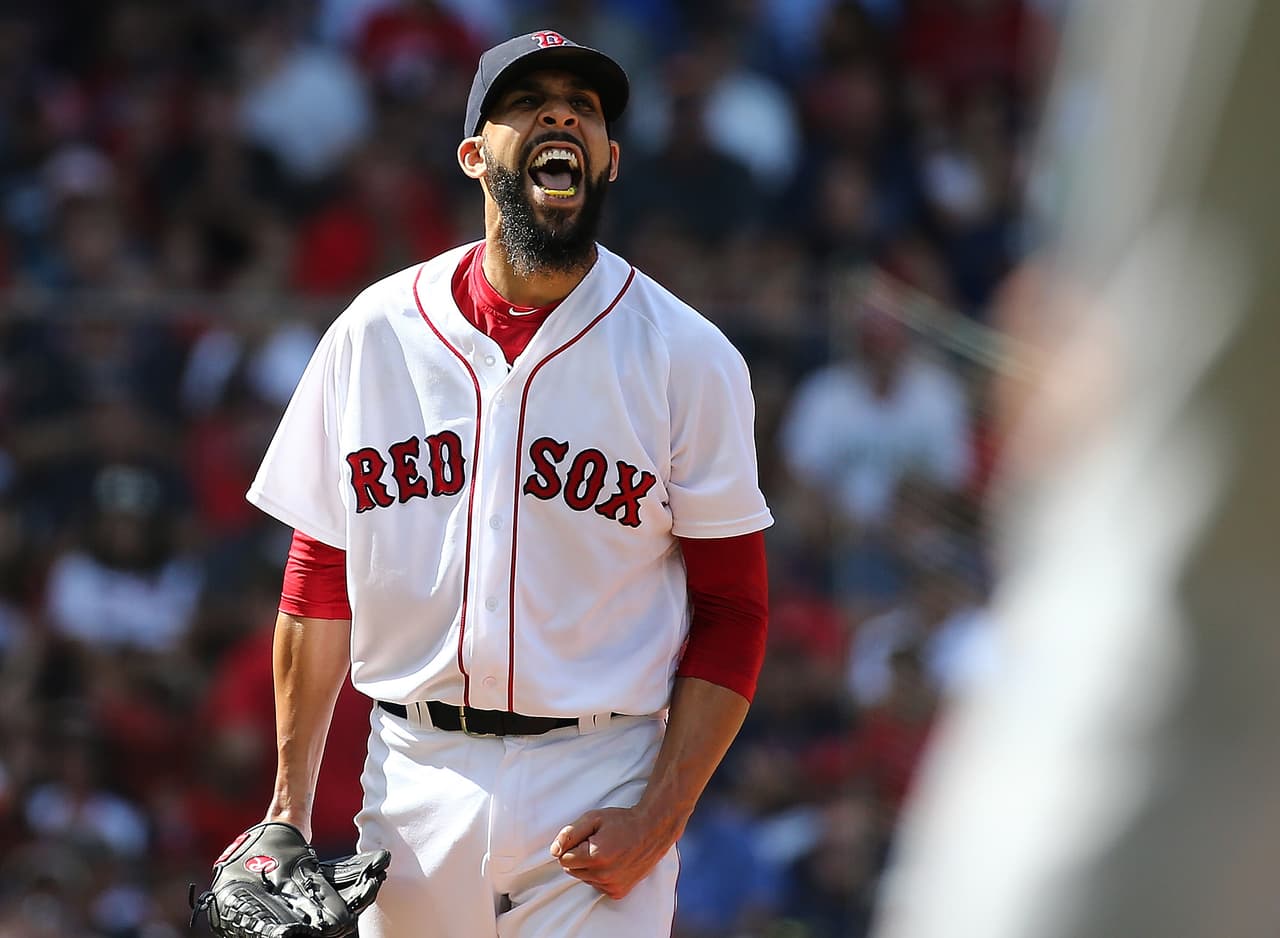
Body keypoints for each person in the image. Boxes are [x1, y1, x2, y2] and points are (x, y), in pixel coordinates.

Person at [241, 30, 773, 938]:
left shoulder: (686, 354)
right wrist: (287, 809)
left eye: (584, 107)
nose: (560, 116)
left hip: (599, 776)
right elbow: (318, 578)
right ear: (473, 155)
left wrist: (660, 815)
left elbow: (734, 608)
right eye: (527, 103)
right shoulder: (375, 332)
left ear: (609, 159)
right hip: (411, 782)